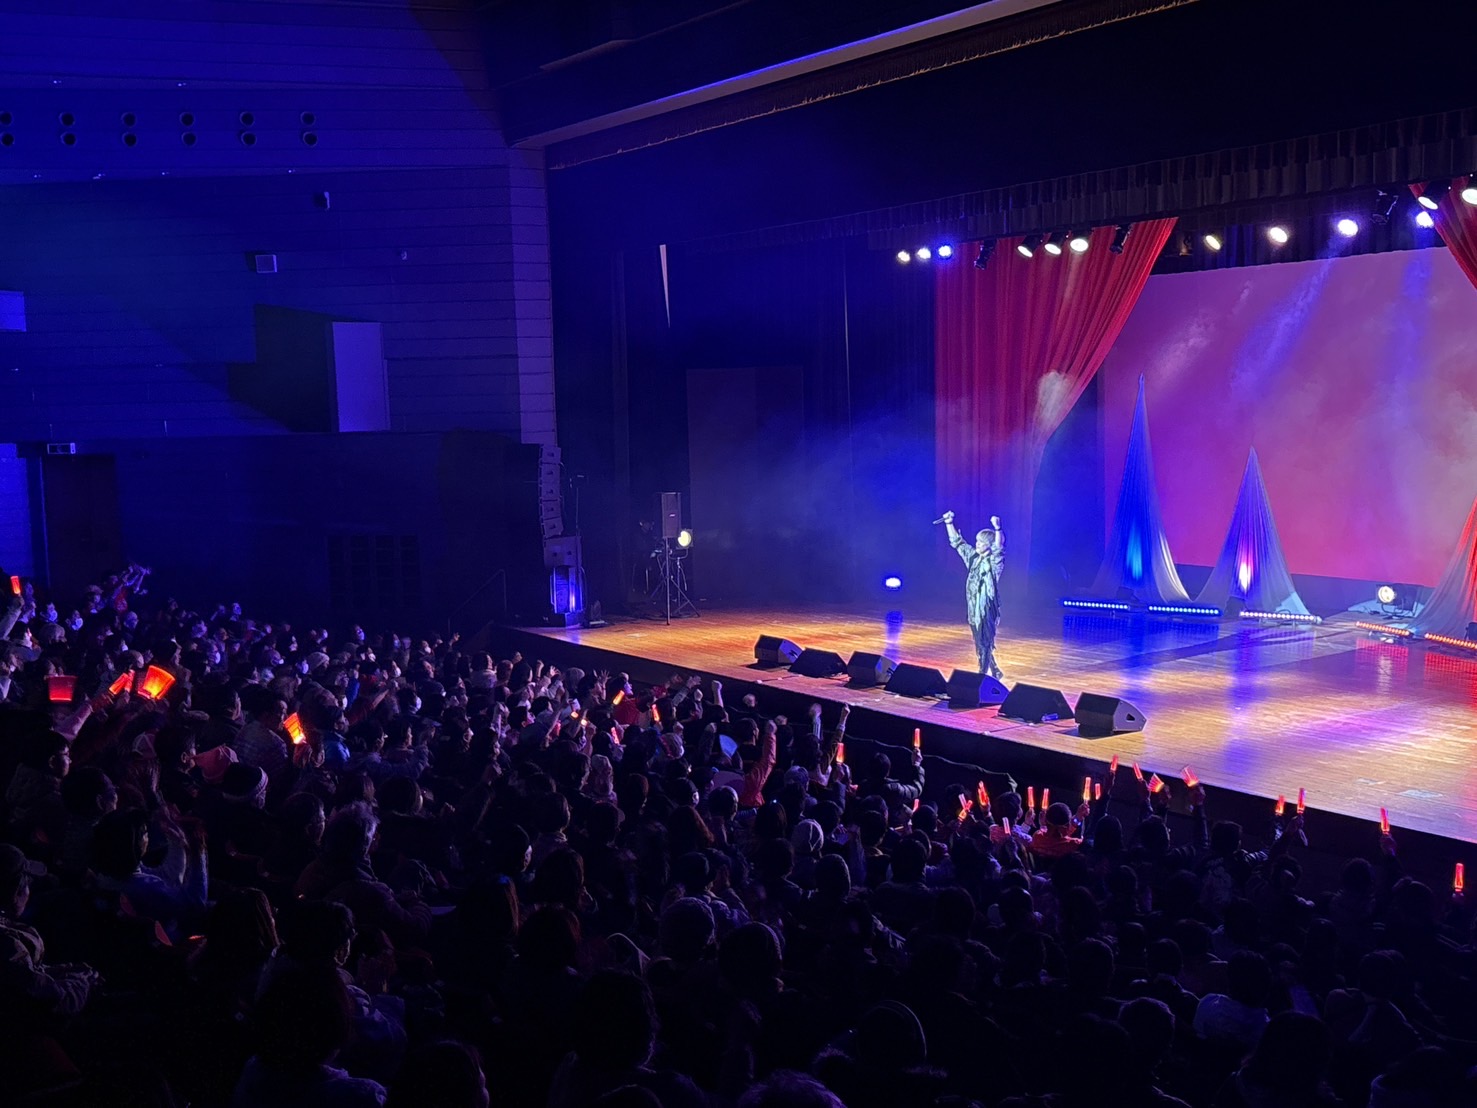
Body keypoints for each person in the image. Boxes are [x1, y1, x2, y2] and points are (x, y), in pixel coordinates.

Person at [940, 509, 1006, 679]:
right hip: (973, 606)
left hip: (986, 608)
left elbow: (999, 548)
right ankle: (995, 670)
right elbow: (958, 543)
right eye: (977, 541)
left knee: (985, 640)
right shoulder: (973, 558)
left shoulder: (994, 563)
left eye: (981, 543)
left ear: (989, 545)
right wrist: (949, 523)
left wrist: (997, 529)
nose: (977, 545)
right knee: (980, 641)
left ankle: (981, 675)